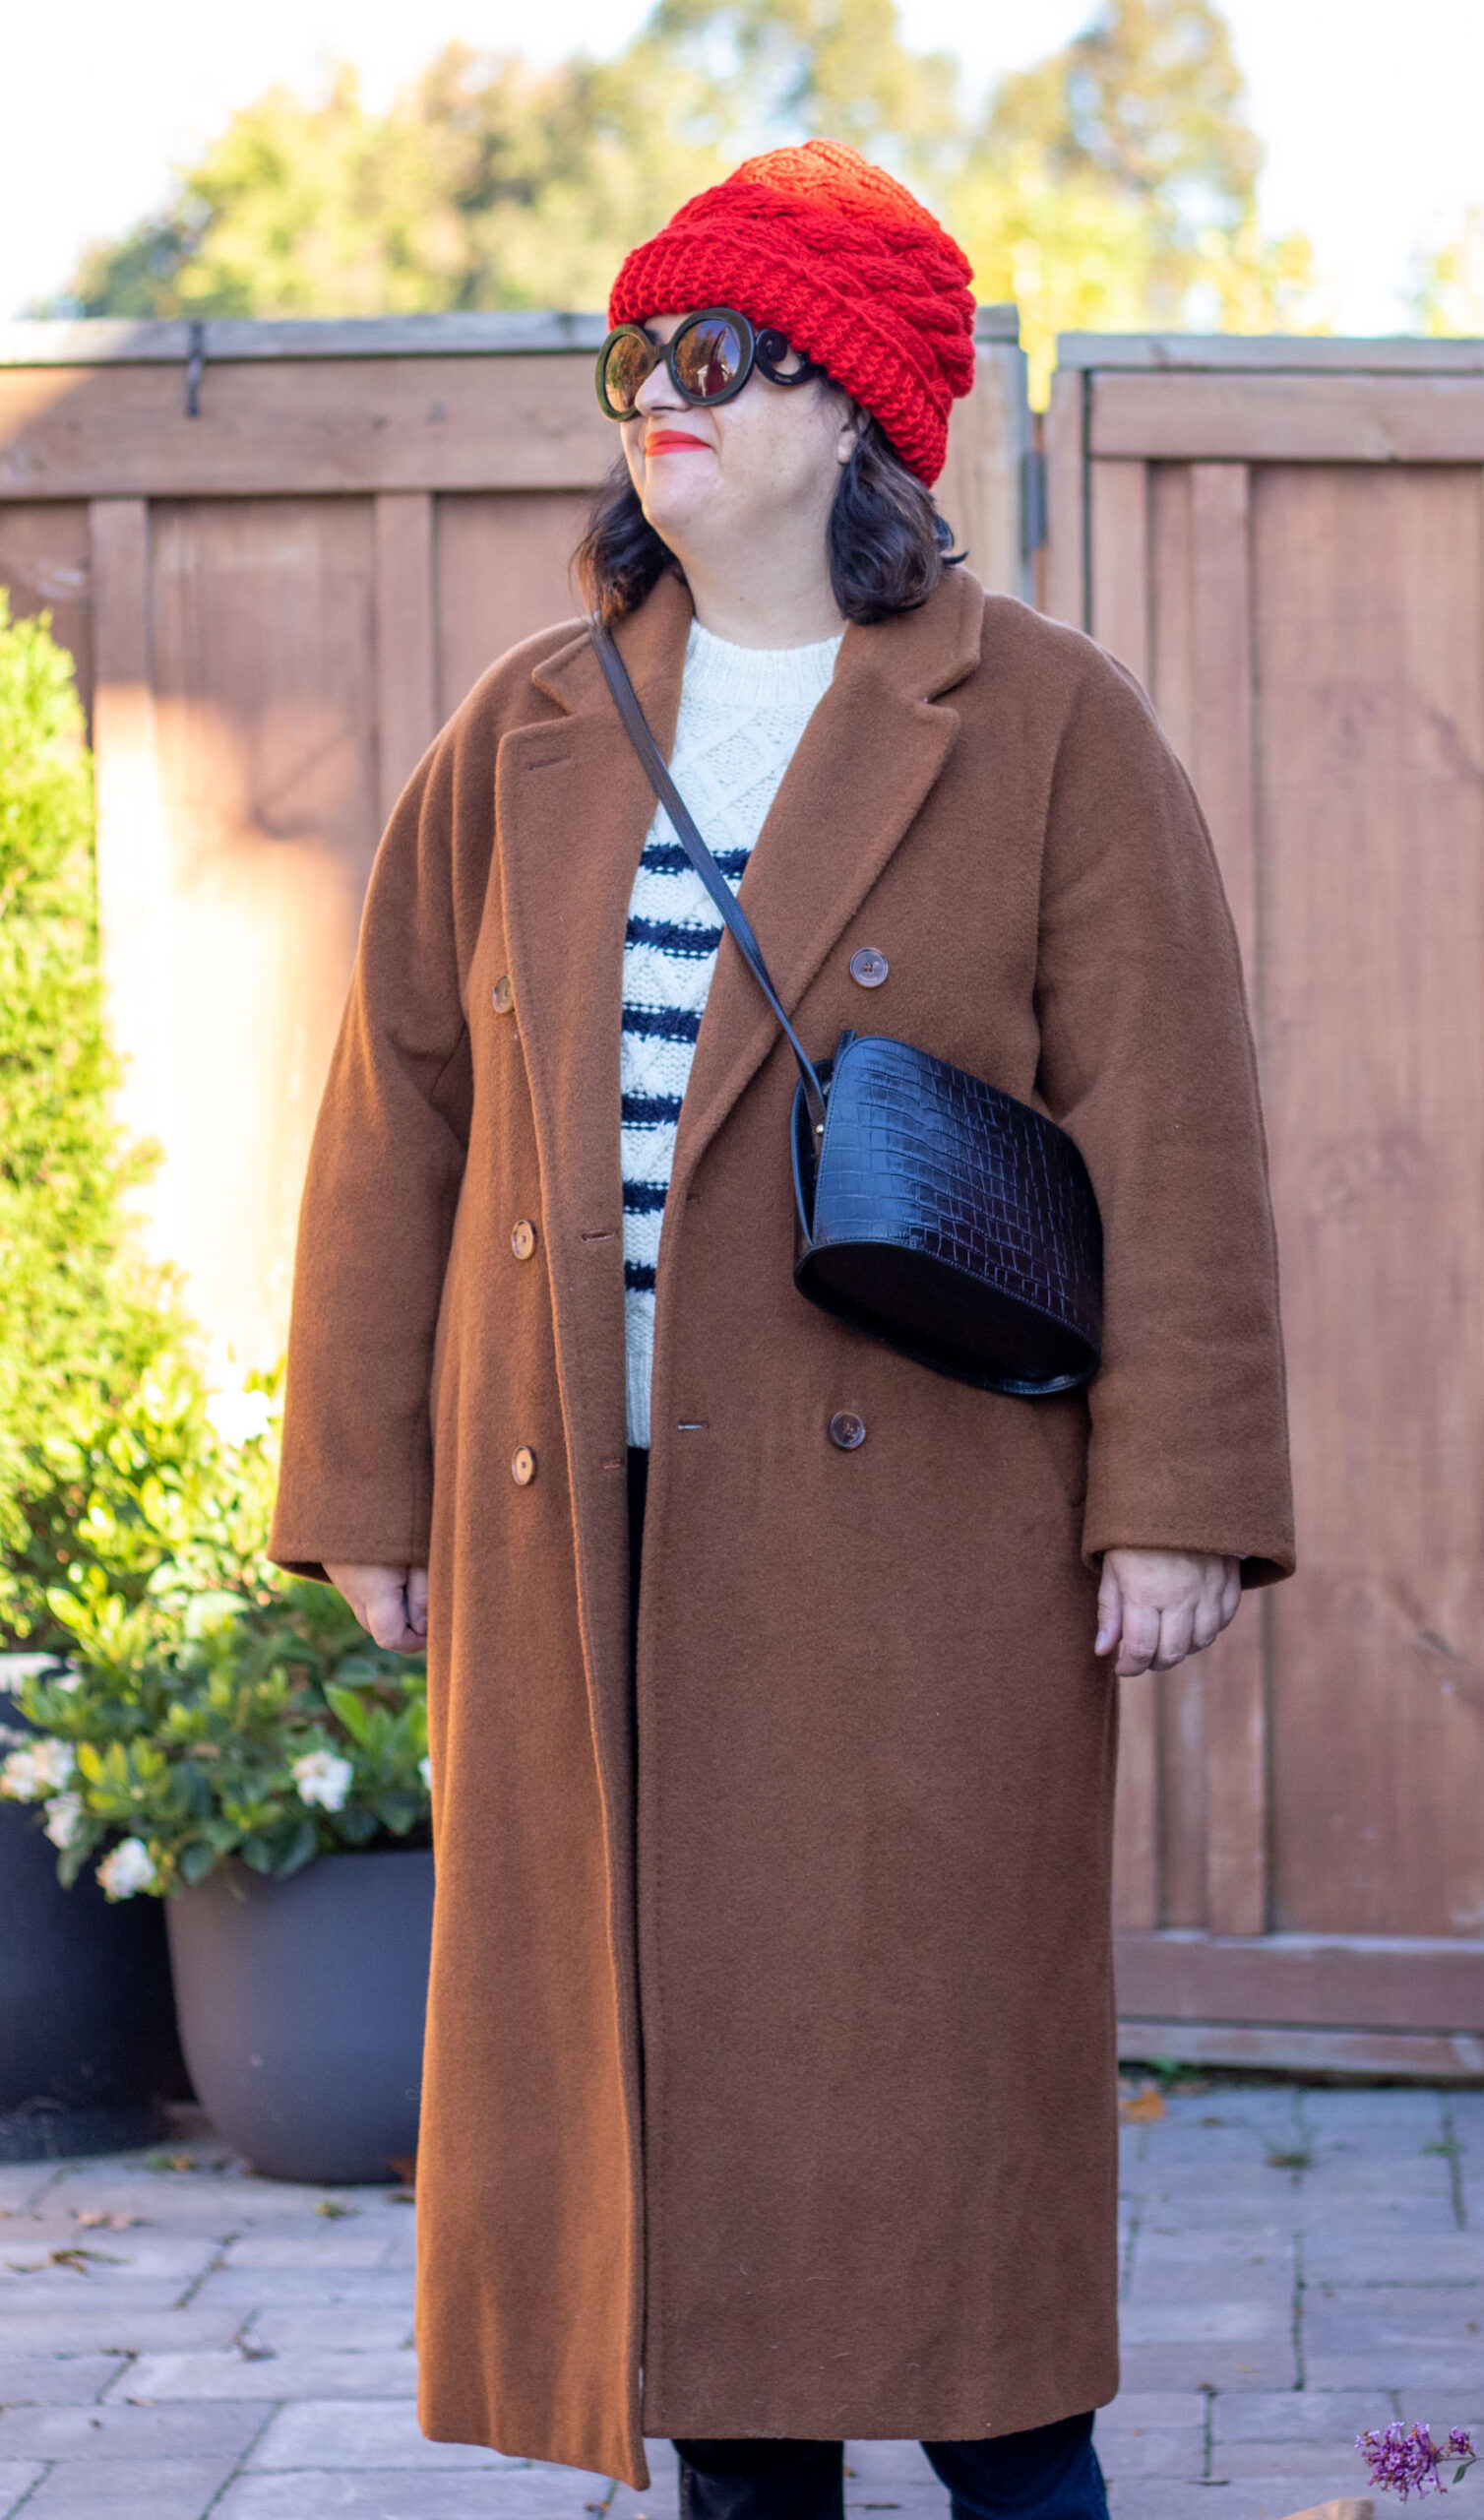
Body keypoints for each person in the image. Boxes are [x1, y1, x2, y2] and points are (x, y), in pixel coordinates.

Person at [270, 139, 1294, 2520]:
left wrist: (1178, 1506)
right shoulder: (528, 731)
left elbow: (1177, 1128)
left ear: (853, 413)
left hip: (914, 1559)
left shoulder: (1040, 723)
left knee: (948, 2232)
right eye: (632, 356)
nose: (661, 398)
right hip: (590, 1557)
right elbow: (392, 1121)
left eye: (714, 355)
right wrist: (362, 1486)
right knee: (699, 2217)